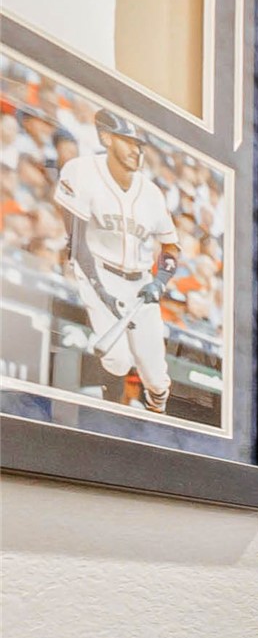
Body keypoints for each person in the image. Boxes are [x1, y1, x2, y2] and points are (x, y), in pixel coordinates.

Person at [53, 108, 179, 412]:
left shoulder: (151, 193)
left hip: (140, 283)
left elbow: (171, 246)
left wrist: (160, 282)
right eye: (128, 142)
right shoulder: (81, 171)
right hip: (97, 270)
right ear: (107, 138)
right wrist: (102, 291)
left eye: (139, 145)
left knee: (158, 380)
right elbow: (78, 244)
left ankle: (154, 412)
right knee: (118, 360)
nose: (136, 150)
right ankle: (106, 406)